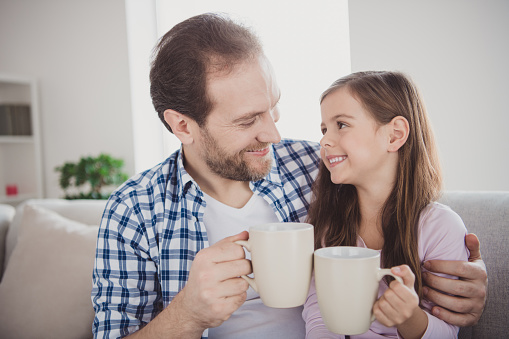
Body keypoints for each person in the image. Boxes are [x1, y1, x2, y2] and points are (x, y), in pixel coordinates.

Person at [91, 13, 487, 339]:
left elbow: (407, 208)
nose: (274, 135)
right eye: (248, 120)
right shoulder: (134, 211)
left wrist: (464, 281)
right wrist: (188, 314)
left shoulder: (322, 169)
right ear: (182, 126)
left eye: (272, 109)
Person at [302, 71, 478, 338]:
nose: (324, 140)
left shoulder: (440, 227)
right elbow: (317, 314)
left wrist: (409, 317)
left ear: (395, 135)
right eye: (324, 129)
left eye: (342, 125)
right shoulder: (326, 224)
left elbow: (447, 332)